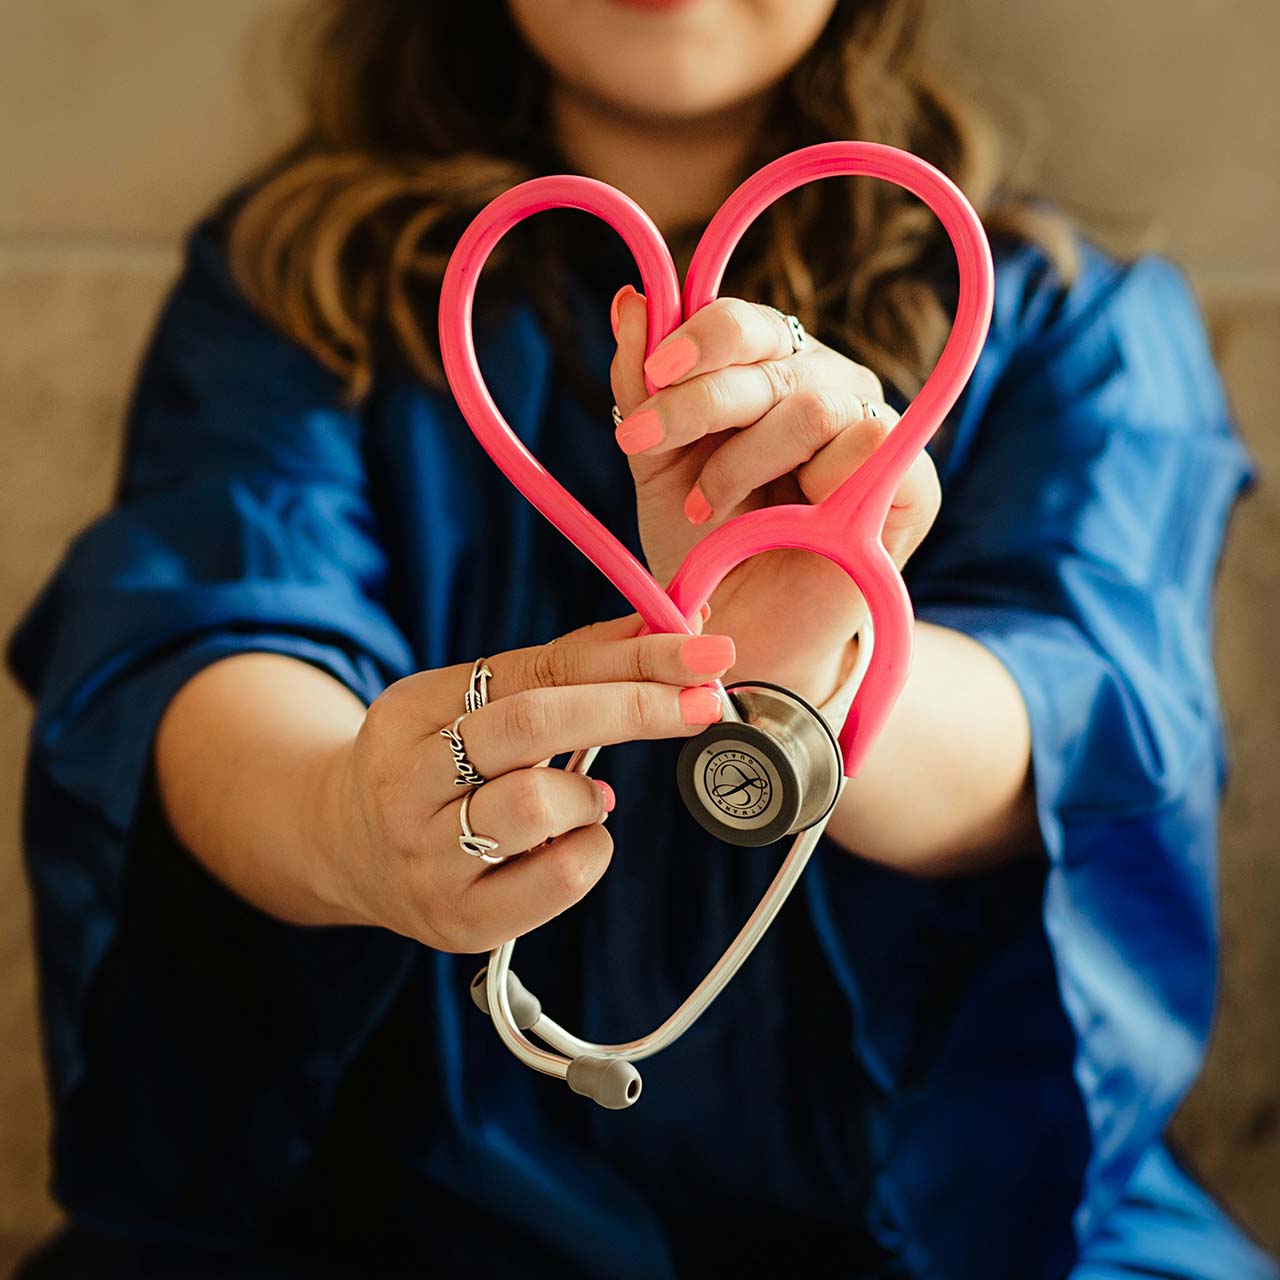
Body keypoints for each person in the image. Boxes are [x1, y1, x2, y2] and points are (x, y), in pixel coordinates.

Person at [7, 0, 1277, 1276]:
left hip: (946, 1218)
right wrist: (344, 822)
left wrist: (799, 680)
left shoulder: (1072, 321)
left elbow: (1082, 722)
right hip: (382, 1196)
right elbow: (202, 633)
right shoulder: (291, 287)